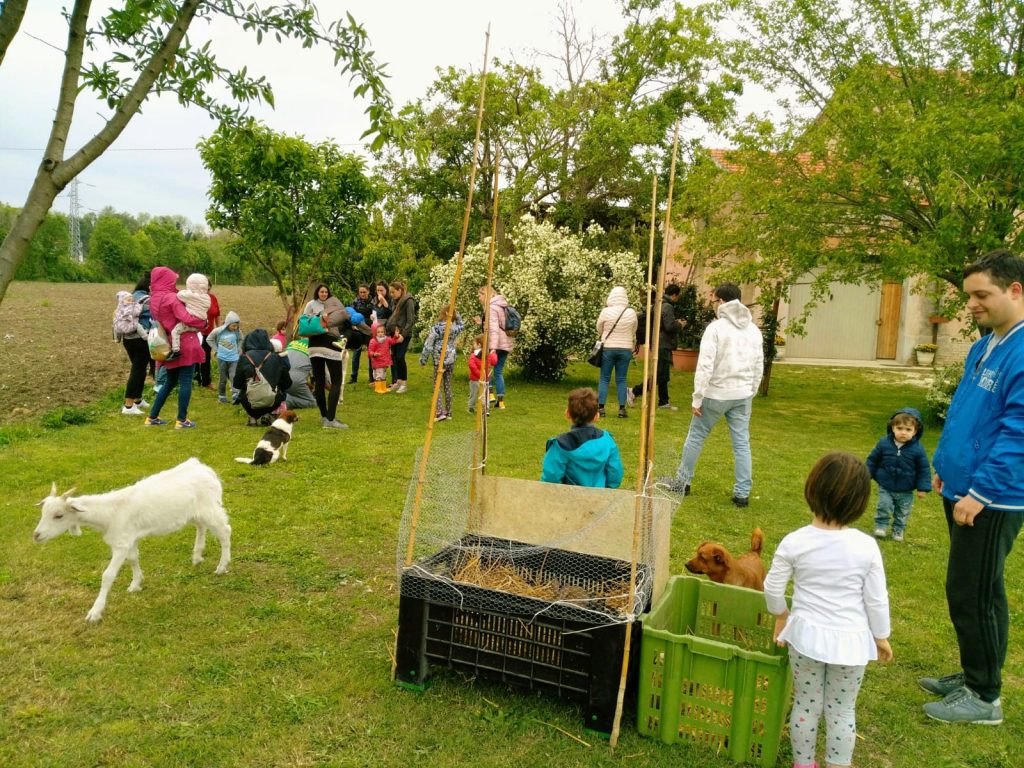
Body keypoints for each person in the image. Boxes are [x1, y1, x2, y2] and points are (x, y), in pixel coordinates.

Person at [922, 248, 1024, 726]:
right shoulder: (987, 344)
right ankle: (972, 674)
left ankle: (984, 697)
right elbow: (965, 411)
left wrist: (980, 492)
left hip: (993, 497)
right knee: (977, 587)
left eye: (982, 295)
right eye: (969, 296)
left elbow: (1018, 432)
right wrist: (946, 465)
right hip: (963, 486)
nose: (972, 305)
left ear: (1015, 290)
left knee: (973, 593)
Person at [764, 451, 893, 768]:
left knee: (806, 704)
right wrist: (881, 636)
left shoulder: (795, 542)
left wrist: (781, 616)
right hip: (850, 644)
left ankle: (803, 764)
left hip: (805, 638)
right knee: (842, 711)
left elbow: (772, 588)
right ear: (859, 503)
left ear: (811, 490)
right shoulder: (866, 547)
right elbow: (876, 599)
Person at [660, 283, 764, 507]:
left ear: (723, 302)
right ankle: (742, 493)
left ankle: (682, 482)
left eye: (715, 300)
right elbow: (759, 365)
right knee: (741, 443)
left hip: (717, 393)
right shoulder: (753, 330)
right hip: (742, 394)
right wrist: (752, 390)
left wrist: (698, 398)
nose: (713, 304)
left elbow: (705, 366)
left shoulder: (716, 329)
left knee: (696, 437)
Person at [145, 266, 206, 428]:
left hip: (168, 345)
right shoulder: (171, 298)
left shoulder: (153, 298)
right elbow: (186, 318)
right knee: (186, 381)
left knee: (170, 382)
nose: (175, 281)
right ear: (166, 280)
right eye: (172, 279)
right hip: (184, 342)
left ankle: (152, 417)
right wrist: (203, 323)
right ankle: (182, 420)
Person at [865, 407, 931, 542]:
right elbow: (872, 460)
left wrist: (922, 488)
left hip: (906, 489)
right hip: (886, 485)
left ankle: (898, 529)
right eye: (899, 428)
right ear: (892, 428)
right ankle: (881, 526)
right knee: (883, 505)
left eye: (908, 430)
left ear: (915, 431)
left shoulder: (918, 449)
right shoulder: (884, 443)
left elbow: (923, 469)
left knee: (902, 512)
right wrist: (866, 475)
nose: (903, 432)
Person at [541, 387, 623, 488]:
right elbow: (615, 474)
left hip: (568, 501)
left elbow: (551, 478)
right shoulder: (608, 442)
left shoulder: (560, 446)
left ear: (567, 414)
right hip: (601, 499)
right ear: (596, 416)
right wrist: (606, 494)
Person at [628, 283, 685, 410]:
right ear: (674, 295)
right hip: (662, 343)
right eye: (678, 296)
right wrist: (680, 324)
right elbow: (669, 326)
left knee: (664, 374)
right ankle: (635, 391)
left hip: (657, 341)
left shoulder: (658, 304)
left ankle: (664, 401)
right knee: (660, 374)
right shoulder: (667, 306)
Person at [303, 283, 349, 429]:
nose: (324, 294)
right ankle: (330, 419)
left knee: (320, 382)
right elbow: (344, 321)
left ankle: (325, 417)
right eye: (322, 292)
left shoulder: (311, 307)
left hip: (313, 345)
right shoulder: (334, 306)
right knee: (336, 381)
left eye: (326, 292)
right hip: (328, 342)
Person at [595, 286, 638, 419]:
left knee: (604, 378)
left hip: (609, 347)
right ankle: (621, 409)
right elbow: (633, 330)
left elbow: (599, 328)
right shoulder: (631, 312)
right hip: (625, 348)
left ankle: (601, 408)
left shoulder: (606, 312)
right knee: (621, 379)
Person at [233, 328, 290, 426]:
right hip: (273, 400)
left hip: (249, 401)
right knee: (279, 389)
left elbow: (237, 384)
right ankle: (269, 414)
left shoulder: (244, 358)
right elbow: (287, 383)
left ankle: (252, 417)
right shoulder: (276, 357)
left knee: (244, 389)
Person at [419, 307, 464, 421]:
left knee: (437, 385)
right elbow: (462, 325)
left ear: (443, 313)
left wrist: (423, 359)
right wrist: (457, 314)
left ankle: (439, 413)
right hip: (451, 358)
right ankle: (449, 412)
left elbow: (429, 343)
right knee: (448, 385)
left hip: (440, 359)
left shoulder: (437, 328)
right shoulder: (454, 328)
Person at [118, 274, 153, 415]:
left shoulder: (131, 296)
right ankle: (128, 405)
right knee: (138, 370)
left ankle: (138, 399)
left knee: (139, 368)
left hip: (127, 339)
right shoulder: (147, 300)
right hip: (140, 338)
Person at [477, 285, 514, 410]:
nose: (479, 298)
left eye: (480, 295)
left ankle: (490, 394)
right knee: (498, 372)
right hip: (505, 342)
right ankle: (501, 402)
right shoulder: (501, 305)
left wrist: (492, 348)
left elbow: (494, 329)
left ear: (486, 294)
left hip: (496, 343)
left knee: (486, 369)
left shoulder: (492, 308)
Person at [165, 273, 210, 362]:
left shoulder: (190, 295)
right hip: (200, 323)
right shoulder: (207, 297)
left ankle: (176, 350)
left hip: (190, 321)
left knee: (175, 331)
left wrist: (187, 291)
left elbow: (179, 295)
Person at [385, 280, 417, 393]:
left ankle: (404, 383)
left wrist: (403, 335)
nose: (391, 294)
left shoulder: (408, 301)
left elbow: (410, 320)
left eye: (393, 292)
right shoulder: (396, 301)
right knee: (394, 357)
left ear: (400, 290)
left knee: (400, 357)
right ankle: (397, 382)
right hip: (394, 333)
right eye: (390, 292)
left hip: (404, 334)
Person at [206, 311, 244, 404]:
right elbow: (209, 339)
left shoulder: (238, 332)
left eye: (237, 326)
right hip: (222, 358)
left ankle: (235, 395)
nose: (235, 328)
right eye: (233, 326)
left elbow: (241, 339)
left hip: (234, 359)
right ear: (227, 324)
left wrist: (239, 348)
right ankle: (222, 396)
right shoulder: (218, 331)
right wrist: (216, 349)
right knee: (222, 379)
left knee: (233, 377)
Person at [347, 284, 375, 384]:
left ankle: (372, 377)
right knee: (356, 353)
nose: (362, 294)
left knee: (371, 354)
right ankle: (353, 377)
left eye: (364, 292)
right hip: (358, 330)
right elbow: (350, 315)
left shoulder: (373, 301)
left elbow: (374, 316)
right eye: (361, 292)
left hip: (369, 330)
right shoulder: (355, 302)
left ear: (368, 291)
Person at [196, 278, 220, 389]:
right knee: (196, 356)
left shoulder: (213, 298)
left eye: (207, 285)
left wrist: (219, 329)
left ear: (209, 286)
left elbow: (217, 314)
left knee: (206, 357)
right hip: (197, 333)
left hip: (209, 334)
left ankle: (206, 381)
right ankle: (196, 379)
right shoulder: (196, 298)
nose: (206, 288)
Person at [282, 337, 317, 409]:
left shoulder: (292, 343)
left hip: (281, 379)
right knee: (313, 403)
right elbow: (323, 378)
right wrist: (335, 390)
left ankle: (282, 398)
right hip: (295, 381)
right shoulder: (316, 347)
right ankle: (287, 401)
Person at [468, 333, 497, 415]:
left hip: (480, 379)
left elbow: (494, 362)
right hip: (478, 379)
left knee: (481, 394)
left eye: (474, 343)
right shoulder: (477, 355)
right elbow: (471, 365)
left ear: (479, 344)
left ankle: (484, 409)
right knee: (478, 394)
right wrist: (480, 374)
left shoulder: (477, 355)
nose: (473, 345)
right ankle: (472, 407)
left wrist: (493, 354)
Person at [368, 323, 401, 393]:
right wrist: (374, 354)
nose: (380, 334)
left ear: (384, 332)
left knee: (383, 375)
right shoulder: (373, 341)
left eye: (382, 332)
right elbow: (369, 351)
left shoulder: (387, 339)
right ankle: (378, 388)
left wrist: (395, 336)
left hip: (384, 361)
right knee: (379, 375)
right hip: (377, 361)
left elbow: (393, 342)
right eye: (378, 332)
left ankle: (383, 388)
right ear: (375, 333)